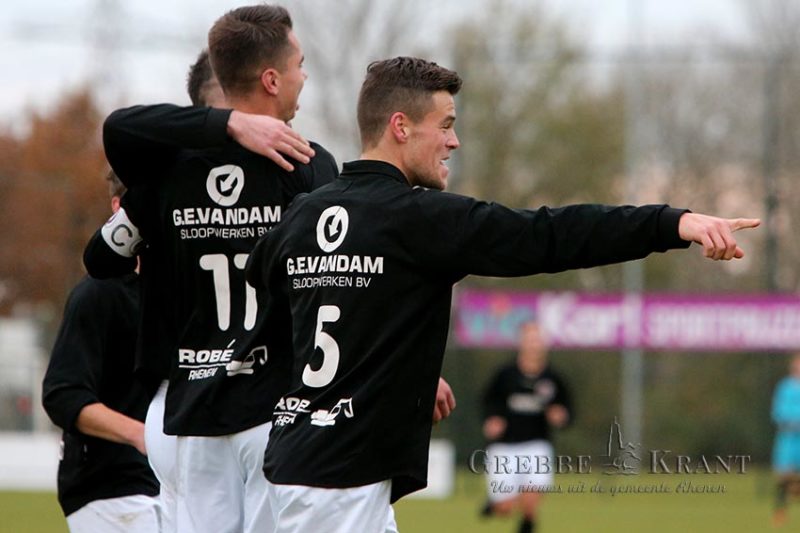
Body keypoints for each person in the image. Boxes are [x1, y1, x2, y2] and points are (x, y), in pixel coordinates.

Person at [245, 55, 760, 532]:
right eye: (445, 125)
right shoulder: (419, 218)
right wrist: (672, 223)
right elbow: (548, 235)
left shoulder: (304, 215)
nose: (454, 141)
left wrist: (398, 374)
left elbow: (280, 304)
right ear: (401, 126)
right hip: (339, 484)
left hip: (300, 460)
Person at [42, 170, 160, 533]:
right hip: (111, 492)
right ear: (118, 207)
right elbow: (63, 394)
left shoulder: (168, 292)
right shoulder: (97, 292)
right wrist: (142, 435)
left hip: (164, 486)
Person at [481, 321, 570, 533]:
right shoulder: (505, 375)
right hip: (504, 447)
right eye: (529, 340)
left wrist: (561, 416)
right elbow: (488, 402)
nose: (533, 345)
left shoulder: (553, 379)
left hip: (537, 445)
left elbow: (566, 410)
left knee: (530, 502)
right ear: (521, 343)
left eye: (537, 340)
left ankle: (527, 525)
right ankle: (495, 504)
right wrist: (492, 420)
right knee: (506, 508)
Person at [771, 353, 800, 526]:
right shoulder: (785, 387)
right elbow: (778, 411)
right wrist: (789, 421)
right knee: (784, 475)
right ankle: (780, 512)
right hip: (788, 436)